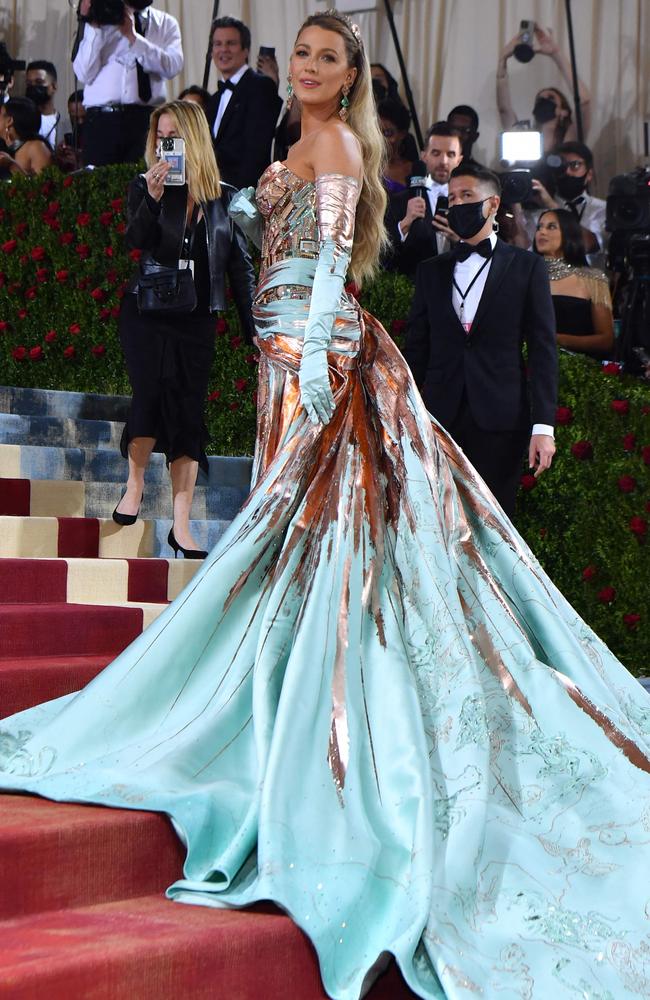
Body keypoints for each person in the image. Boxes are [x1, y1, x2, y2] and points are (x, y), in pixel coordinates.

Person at [1, 13, 650, 1000]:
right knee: (294, 557)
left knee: (324, 553)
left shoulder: (339, 144)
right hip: (281, 368)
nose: (305, 68)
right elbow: (278, 244)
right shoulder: (288, 143)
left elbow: (321, 278)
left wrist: (307, 385)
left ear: (349, 78)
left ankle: (330, 722)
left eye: (324, 58)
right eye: (298, 53)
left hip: (320, 371)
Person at [114, 100, 256, 558]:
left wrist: (253, 327)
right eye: (160, 137)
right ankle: (134, 484)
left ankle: (181, 525)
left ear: (193, 139)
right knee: (150, 394)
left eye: (174, 137)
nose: (165, 146)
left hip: (196, 319)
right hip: (148, 312)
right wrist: (154, 201)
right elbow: (135, 243)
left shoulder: (224, 197)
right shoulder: (145, 187)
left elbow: (240, 268)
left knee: (189, 413)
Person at [404, 162, 558, 517]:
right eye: (453, 197)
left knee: (495, 524)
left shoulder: (526, 267)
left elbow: (542, 351)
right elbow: (417, 350)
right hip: (439, 418)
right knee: (439, 522)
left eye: (468, 195)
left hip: (502, 418)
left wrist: (543, 426)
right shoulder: (431, 271)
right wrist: (406, 417)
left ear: (492, 204)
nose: (457, 204)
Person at [73, 0, 183, 167]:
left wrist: (133, 38)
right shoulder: (100, 20)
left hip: (149, 120)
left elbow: (173, 66)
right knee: (98, 185)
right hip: (101, 121)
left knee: (151, 184)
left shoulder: (167, 23)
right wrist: (94, 27)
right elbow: (83, 73)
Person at [206, 16, 282, 190]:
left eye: (231, 43)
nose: (223, 49)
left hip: (245, 197)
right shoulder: (215, 98)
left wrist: (239, 202)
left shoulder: (261, 86)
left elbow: (255, 152)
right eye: (218, 44)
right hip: (216, 196)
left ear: (246, 50)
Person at [534, 208, 614, 357]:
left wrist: (558, 339)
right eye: (539, 227)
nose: (542, 232)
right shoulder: (525, 275)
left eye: (551, 227)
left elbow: (606, 340)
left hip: (578, 373)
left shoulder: (593, 279)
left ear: (568, 232)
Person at [497, 25, 591, 151]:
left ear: (564, 112)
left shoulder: (568, 139)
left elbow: (584, 102)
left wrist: (556, 54)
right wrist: (502, 60)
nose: (543, 100)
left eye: (551, 98)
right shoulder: (524, 139)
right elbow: (504, 110)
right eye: (539, 99)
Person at [385, 121, 462, 277]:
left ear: (459, 159)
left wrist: (459, 241)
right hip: (412, 293)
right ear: (424, 156)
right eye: (436, 153)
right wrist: (405, 224)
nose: (443, 162)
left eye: (450, 154)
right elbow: (383, 255)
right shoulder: (400, 201)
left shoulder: (469, 203)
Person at [529, 141, 607, 267]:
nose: (567, 172)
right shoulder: (538, 211)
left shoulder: (603, 210)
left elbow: (588, 244)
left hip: (591, 284)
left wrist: (553, 206)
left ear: (589, 174)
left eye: (575, 165)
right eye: (561, 166)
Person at [0, 96, 53, 176]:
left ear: (9, 121)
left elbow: (45, 186)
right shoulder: (4, 145)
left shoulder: (36, 147)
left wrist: (12, 164)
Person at [377, 97, 417, 194]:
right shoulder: (363, 165)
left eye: (387, 133)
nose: (380, 139)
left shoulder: (412, 170)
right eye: (376, 131)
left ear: (402, 134)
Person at [25, 60, 60, 147]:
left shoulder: (63, 124)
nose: (33, 86)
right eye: (29, 83)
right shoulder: (21, 122)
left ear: (54, 87)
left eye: (39, 82)